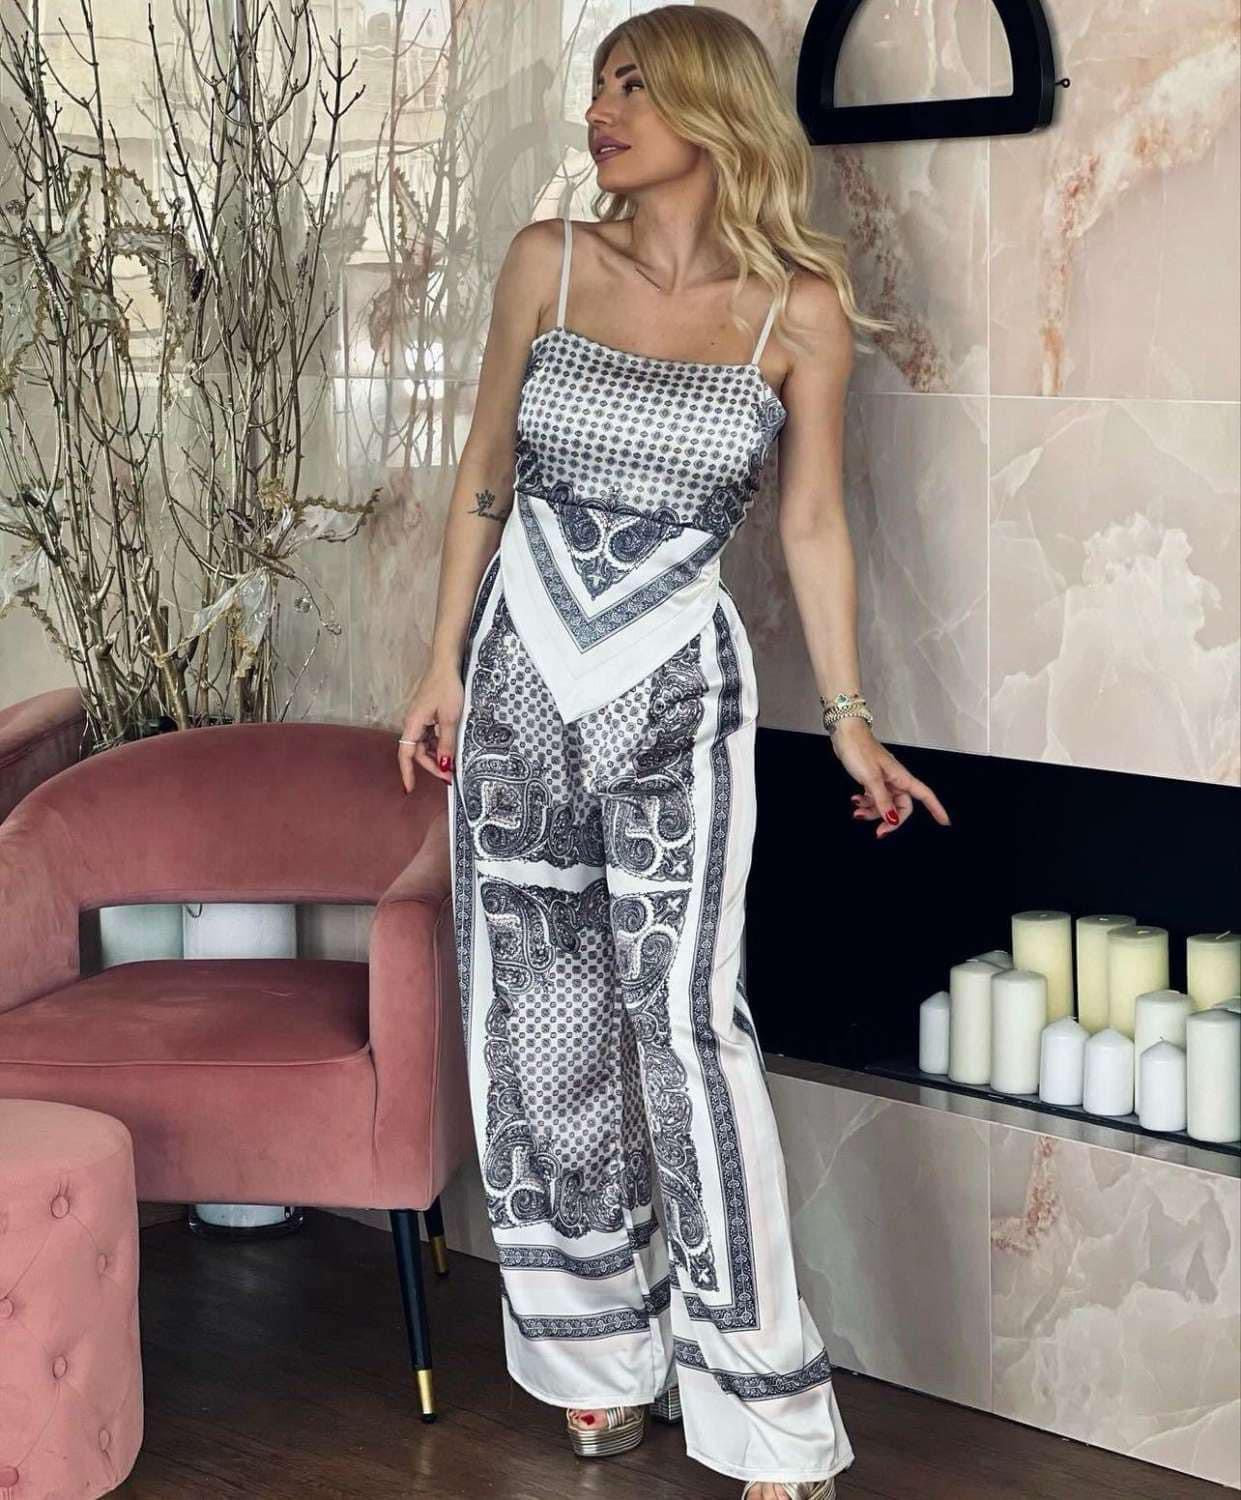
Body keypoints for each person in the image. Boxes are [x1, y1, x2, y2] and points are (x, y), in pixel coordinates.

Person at [397, 8, 951, 1497]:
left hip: (677, 703)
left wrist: (849, 716)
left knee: (691, 1032)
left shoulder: (797, 313)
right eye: (597, 84)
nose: (602, 109)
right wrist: (441, 663)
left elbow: (812, 523)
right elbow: (483, 475)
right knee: (538, 1018)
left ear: (712, 110)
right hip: (517, 689)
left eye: (633, 83)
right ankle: (596, 1360)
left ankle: (764, 1404)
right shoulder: (547, 262)